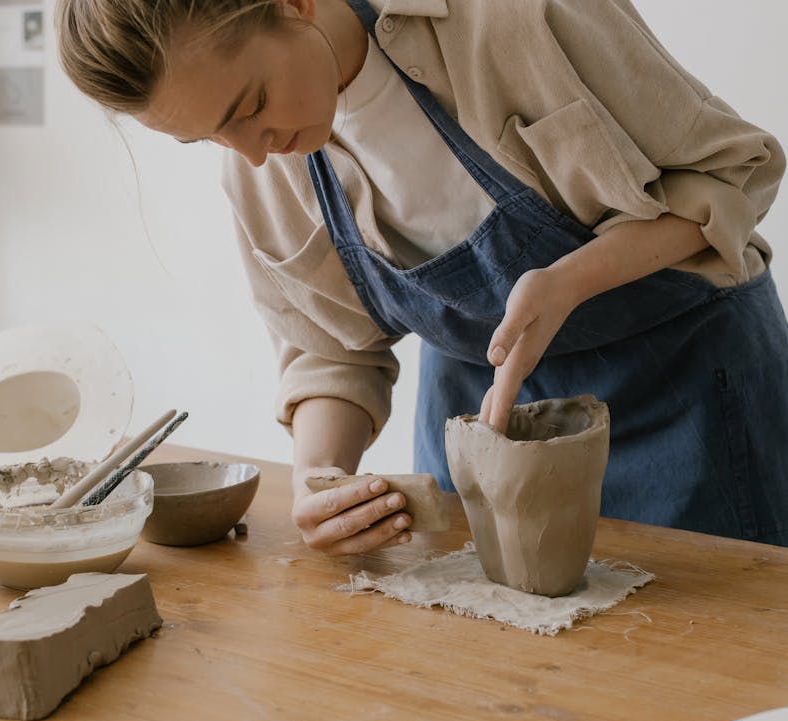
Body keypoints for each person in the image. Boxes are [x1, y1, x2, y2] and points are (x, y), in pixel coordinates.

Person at [57, 0, 788, 552]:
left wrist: (573, 276)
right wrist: (320, 481)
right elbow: (330, 352)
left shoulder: (513, 19)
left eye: (247, 106)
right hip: (477, 419)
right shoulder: (258, 170)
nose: (250, 152)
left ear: (295, 4)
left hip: (687, 393)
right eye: (207, 136)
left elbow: (731, 173)